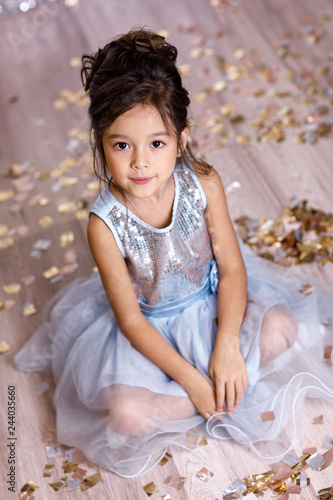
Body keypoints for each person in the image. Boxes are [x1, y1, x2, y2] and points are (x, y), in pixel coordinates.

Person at [14, 29, 333, 478]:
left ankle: (223, 380)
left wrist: (226, 345)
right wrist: (192, 380)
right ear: (101, 143)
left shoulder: (203, 183)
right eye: (121, 145)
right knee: (125, 414)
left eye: (156, 144)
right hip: (150, 331)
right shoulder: (104, 224)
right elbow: (130, 321)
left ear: (181, 140)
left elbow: (233, 269)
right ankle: (208, 397)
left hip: (210, 305)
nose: (140, 163)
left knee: (280, 326)